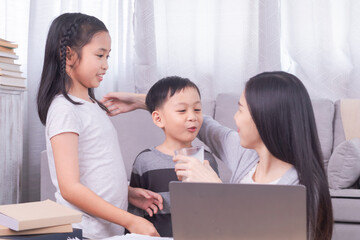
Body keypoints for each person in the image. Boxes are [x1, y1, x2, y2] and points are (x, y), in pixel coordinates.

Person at [101, 71, 333, 240]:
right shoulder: (247, 156)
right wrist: (146, 101)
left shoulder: (300, 186)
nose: (235, 118)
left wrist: (218, 191)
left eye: (241, 109)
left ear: (264, 118)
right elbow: (202, 124)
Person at [36, 13, 163, 239]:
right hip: (83, 231)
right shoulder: (64, 109)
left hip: (104, 232)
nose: (105, 65)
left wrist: (128, 193)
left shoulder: (90, 105)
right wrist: (130, 220)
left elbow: (95, 171)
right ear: (69, 55)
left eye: (108, 57)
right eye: (99, 55)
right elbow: (70, 188)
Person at [127, 76, 219, 237]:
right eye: (182, 110)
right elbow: (135, 214)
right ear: (158, 118)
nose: (192, 117)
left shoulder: (207, 160)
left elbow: (217, 208)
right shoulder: (145, 161)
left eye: (197, 109)